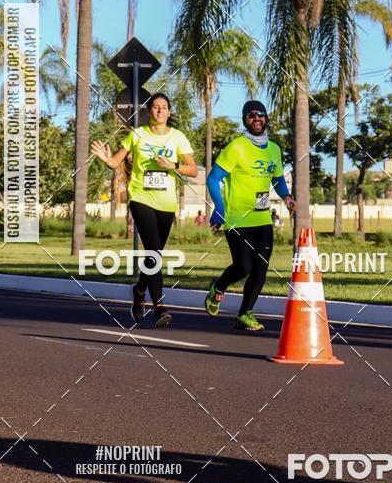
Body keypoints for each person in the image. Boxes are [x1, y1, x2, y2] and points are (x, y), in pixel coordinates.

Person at [91, 93, 197, 327]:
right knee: (154, 253)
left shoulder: (178, 138)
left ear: (169, 112)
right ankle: (159, 306)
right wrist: (105, 158)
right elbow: (114, 162)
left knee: (154, 253)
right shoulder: (137, 135)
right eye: (155, 107)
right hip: (141, 198)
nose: (160, 111)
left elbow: (193, 170)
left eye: (164, 107)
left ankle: (139, 291)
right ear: (149, 111)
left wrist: (174, 165)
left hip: (167, 203)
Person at [204, 100, 296, 331]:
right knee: (243, 266)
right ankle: (218, 287)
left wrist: (286, 197)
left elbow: (277, 179)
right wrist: (219, 208)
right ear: (245, 119)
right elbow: (213, 179)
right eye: (251, 115)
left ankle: (244, 314)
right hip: (236, 218)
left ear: (266, 118)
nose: (257, 119)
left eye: (260, 115)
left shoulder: (274, 149)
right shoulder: (236, 147)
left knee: (260, 268)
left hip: (262, 218)